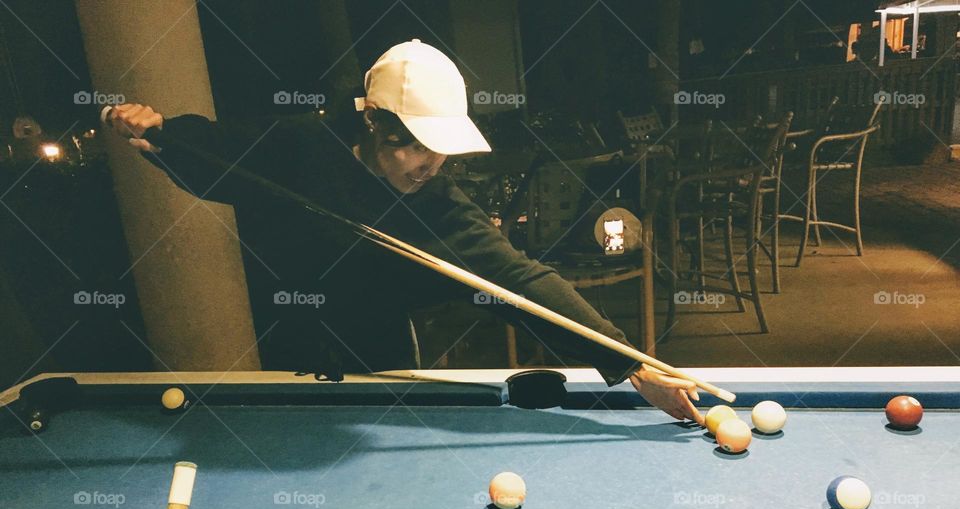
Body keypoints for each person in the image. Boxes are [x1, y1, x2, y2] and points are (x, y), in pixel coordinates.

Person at [106, 39, 702, 424]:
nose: (428, 164)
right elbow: (213, 153)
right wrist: (159, 134)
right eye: (412, 146)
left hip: (383, 362)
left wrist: (626, 363)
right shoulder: (298, 146)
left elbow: (519, 281)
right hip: (282, 348)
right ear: (372, 124)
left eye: (439, 150)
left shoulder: (438, 205)